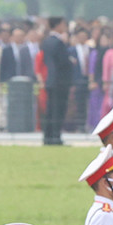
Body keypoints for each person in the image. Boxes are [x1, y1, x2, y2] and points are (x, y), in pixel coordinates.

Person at [41, 17, 73, 145]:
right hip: (60, 80)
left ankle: (48, 136)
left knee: (50, 110)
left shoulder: (46, 41)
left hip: (50, 79)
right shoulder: (58, 42)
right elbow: (63, 62)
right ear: (58, 25)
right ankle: (55, 136)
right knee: (58, 110)